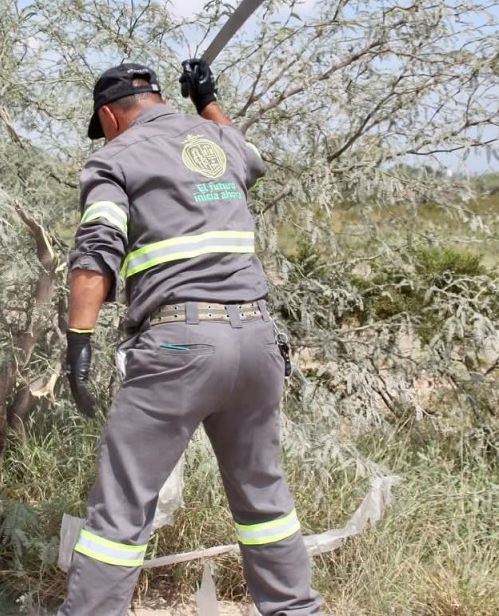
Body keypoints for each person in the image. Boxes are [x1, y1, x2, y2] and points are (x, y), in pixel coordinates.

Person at [58, 60, 323, 616]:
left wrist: (78, 342)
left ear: (109, 115)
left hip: (179, 346)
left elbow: (95, 252)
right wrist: (206, 98)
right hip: (256, 338)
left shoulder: (113, 159)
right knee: (264, 500)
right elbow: (249, 158)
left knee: (121, 511)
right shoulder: (217, 139)